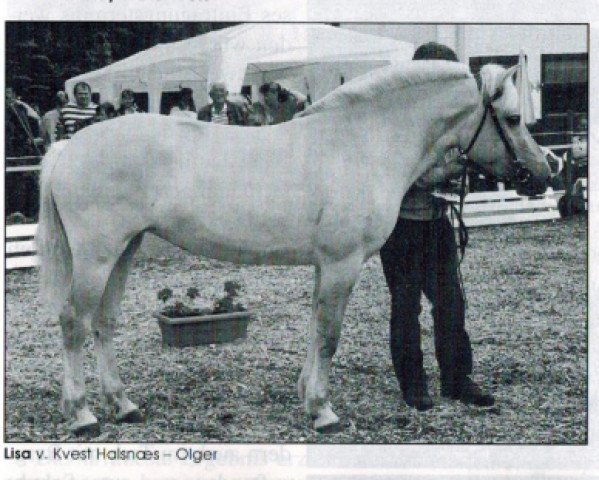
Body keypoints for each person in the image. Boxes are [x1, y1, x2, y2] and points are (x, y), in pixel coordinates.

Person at [380, 42, 495, 412]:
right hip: (401, 228)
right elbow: (395, 173)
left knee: (451, 304)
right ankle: (413, 385)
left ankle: (457, 379)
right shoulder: (398, 121)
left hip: (436, 224)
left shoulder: (448, 119)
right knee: (405, 307)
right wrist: (440, 174)